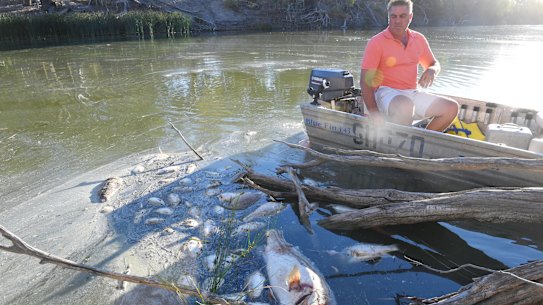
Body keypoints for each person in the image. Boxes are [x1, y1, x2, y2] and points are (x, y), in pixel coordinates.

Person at [360, 0, 458, 132]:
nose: (397, 21)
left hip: (412, 92)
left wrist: (432, 70)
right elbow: (364, 82)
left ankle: (422, 141)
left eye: (402, 16)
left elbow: (434, 63)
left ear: (410, 17)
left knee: (451, 108)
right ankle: (398, 145)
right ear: (388, 17)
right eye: (393, 16)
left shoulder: (418, 39)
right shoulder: (376, 42)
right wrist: (374, 112)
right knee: (405, 105)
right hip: (384, 92)